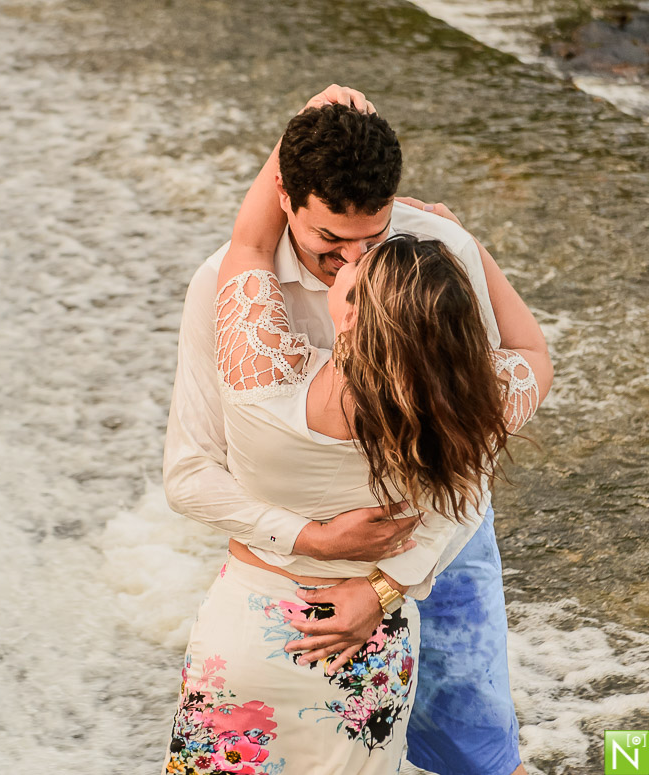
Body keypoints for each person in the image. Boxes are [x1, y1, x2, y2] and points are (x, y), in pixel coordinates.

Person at [161, 86, 552, 774]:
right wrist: (313, 537)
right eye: (330, 242)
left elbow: (467, 456)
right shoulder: (216, 291)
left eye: (373, 238)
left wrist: (386, 584)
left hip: (439, 532)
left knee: (477, 746)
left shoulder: (439, 250)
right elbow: (191, 471)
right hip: (297, 569)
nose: (352, 263)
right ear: (287, 198)